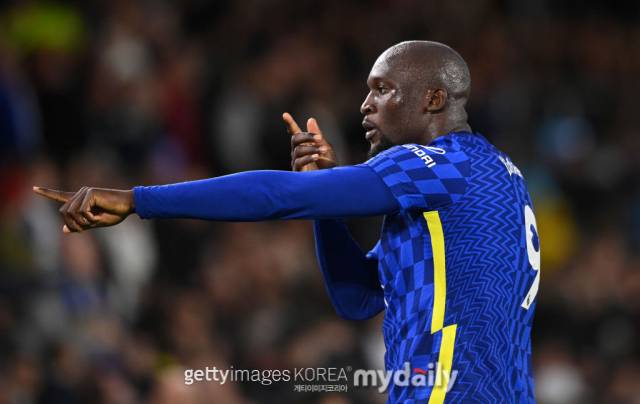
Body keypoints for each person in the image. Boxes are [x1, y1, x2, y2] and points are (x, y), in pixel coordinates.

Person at [34, 41, 539, 403]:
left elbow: (276, 195)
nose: (365, 104)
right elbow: (358, 298)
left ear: (433, 99)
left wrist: (138, 199)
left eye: (383, 89)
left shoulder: (439, 165)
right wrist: (325, 200)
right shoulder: (496, 177)